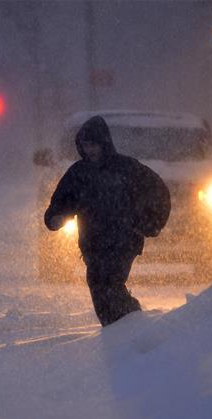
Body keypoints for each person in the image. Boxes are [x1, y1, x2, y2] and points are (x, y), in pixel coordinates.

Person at [44, 115, 170, 326]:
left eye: (93, 145)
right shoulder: (78, 173)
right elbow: (63, 202)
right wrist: (55, 218)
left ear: (104, 144)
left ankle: (130, 324)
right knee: (97, 286)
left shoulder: (127, 168)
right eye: (85, 145)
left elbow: (159, 193)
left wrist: (151, 223)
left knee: (112, 282)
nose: (89, 150)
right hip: (92, 243)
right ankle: (116, 329)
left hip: (125, 240)